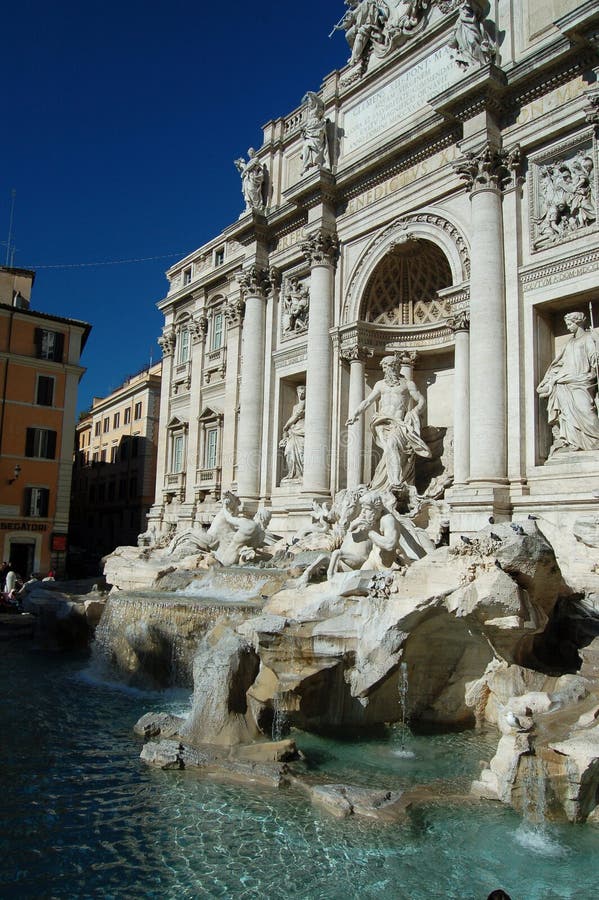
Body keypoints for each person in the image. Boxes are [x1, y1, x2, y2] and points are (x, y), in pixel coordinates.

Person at [346, 355, 431, 492]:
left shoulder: (407, 384)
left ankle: (392, 482)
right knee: (390, 448)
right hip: (381, 421)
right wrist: (355, 414)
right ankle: (392, 482)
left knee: (392, 446)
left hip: (398, 422)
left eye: (389, 366)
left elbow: (421, 400)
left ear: (396, 366)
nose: (386, 370)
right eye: (384, 367)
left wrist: (414, 411)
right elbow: (368, 401)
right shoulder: (380, 385)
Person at [537, 311, 599, 455]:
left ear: (578, 323)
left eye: (570, 324)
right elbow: (559, 364)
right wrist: (550, 381)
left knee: (586, 411)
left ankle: (595, 441)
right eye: (567, 324)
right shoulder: (569, 343)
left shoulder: (589, 338)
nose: (568, 327)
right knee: (567, 415)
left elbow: (593, 360)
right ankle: (573, 443)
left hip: (582, 381)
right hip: (565, 383)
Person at [279, 385, 306, 479]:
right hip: (294, 431)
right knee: (289, 451)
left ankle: (301, 473)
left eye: (303, 391)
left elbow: (296, 416)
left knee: (301, 452)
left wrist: (286, 426)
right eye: (299, 392)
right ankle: (292, 473)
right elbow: (294, 417)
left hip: (301, 430)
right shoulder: (295, 406)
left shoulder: (304, 403)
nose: (301, 393)